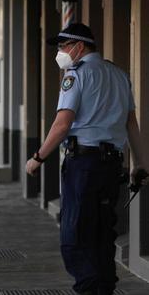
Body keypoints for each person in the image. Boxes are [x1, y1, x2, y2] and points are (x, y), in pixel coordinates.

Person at [25, 23, 148, 295]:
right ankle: (104, 288)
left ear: (79, 47)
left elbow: (62, 124)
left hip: (84, 165)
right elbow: (131, 124)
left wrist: (38, 157)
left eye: (63, 46)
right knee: (103, 232)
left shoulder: (76, 76)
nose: (60, 52)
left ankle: (90, 290)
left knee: (76, 235)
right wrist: (141, 164)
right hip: (112, 164)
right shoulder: (119, 74)